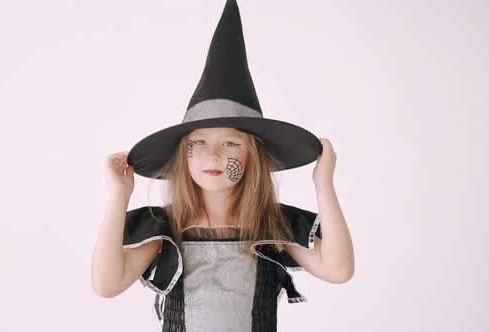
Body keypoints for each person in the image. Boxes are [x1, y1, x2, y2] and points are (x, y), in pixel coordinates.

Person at [92, 1, 354, 331]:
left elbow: (339, 269)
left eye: (230, 143)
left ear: (252, 155)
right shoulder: (167, 227)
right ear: (182, 154)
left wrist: (323, 184)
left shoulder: (271, 225)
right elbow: (106, 285)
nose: (213, 155)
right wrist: (119, 196)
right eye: (198, 143)